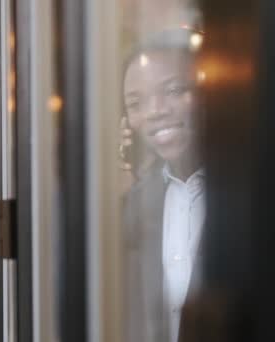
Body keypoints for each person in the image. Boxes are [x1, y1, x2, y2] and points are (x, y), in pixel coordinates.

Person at [121, 28, 205, 342]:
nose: (156, 111)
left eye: (172, 90)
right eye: (136, 102)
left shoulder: (247, 191)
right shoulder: (132, 206)